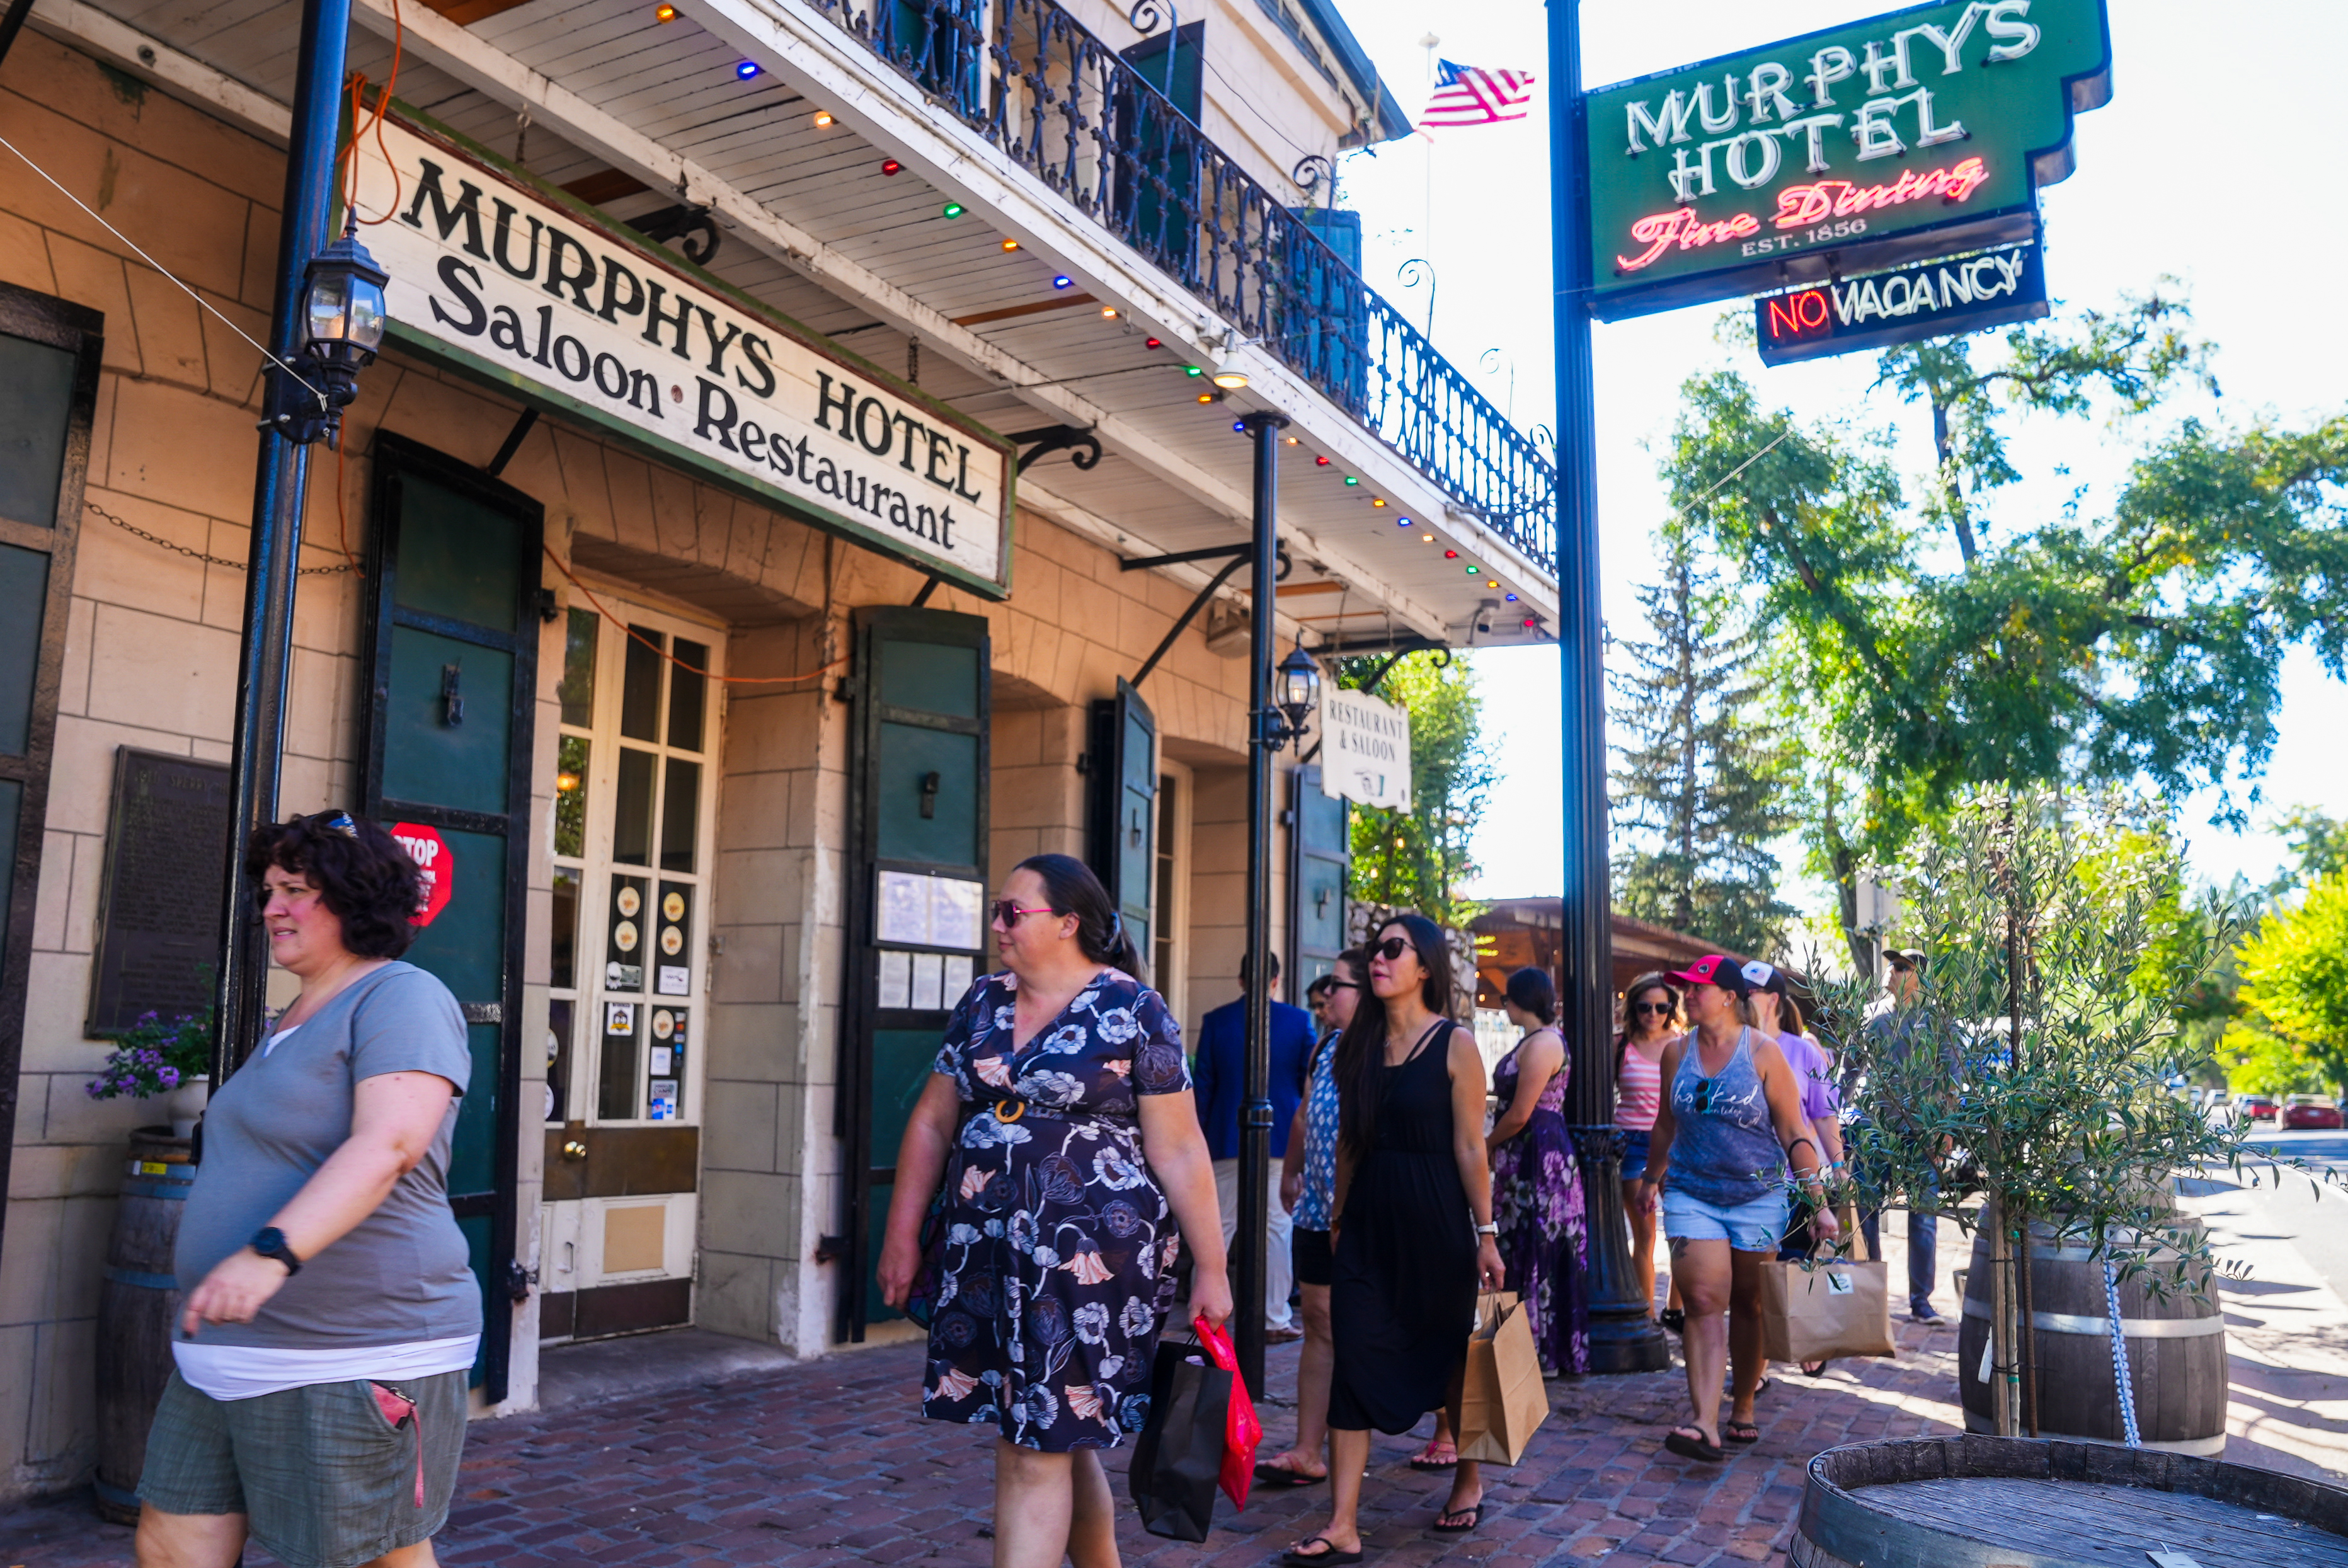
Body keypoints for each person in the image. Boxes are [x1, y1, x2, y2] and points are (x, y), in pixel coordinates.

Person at [136, 811, 477, 1568]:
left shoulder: (401, 996)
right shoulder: (291, 1018)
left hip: (349, 1350)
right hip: (226, 1355)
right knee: (169, 1540)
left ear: (356, 897)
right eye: (267, 890)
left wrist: (269, 1253)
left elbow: (389, 1142)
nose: (271, 908)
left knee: (358, 1558)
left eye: (296, 889)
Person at [878, 854, 1230, 1568]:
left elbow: (1183, 1150)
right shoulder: (982, 1001)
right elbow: (930, 1123)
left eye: (1014, 910)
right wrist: (901, 1233)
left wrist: (1213, 1268)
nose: (998, 923)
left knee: (1032, 1446)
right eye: (997, 910)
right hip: (986, 1249)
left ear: (1068, 922)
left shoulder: (1133, 1009)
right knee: (1051, 1430)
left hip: (1089, 1258)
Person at [1288, 915, 1505, 1563]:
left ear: (1424, 967)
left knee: (1450, 1357)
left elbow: (1470, 1145)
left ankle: (1469, 1474)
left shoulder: (1455, 1042)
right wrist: (1337, 1212)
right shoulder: (1357, 1043)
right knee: (1352, 1354)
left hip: (1434, 1220)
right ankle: (1344, 1521)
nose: (1376, 959)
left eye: (1391, 948)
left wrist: (1486, 1233)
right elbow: (1353, 1136)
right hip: (1365, 1223)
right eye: (1372, 949)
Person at [1633, 955, 1838, 1463]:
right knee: (1702, 1298)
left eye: (1698, 987)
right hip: (1689, 1191)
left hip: (1758, 1194)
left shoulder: (1764, 1053)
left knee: (1748, 1301)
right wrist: (1651, 1177)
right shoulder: (1674, 1052)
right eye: (1685, 989)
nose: (1688, 996)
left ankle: (1742, 1404)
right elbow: (1663, 1123)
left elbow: (1794, 1131)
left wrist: (1819, 1203)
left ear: (1728, 996)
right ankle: (1703, 1421)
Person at [1257, 946, 1370, 1488]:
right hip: (1316, 1207)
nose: (1326, 993)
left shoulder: (1386, 1047)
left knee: (1394, 1321)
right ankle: (1308, 1450)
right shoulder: (1325, 1046)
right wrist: (1289, 1171)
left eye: (1338, 984)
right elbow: (1305, 1110)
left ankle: (1447, 1431)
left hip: (1368, 1213)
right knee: (1320, 1323)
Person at [1191, 951, 1319, 1341]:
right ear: (1276, 981)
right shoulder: (1299, 1022)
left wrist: (1200, 1138)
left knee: (1217, 1226)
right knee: (1277, 1228)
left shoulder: (1216, 1022)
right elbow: (1307, 1081)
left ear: (1242, 980)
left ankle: (1203, 1315)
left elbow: (1204, 1087)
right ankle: (1274, 1317)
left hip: (1225, 1136)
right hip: (1281, 1134)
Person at [1487, 966, 1589, 1378]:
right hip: (1526, 1156)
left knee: (1537, 1244)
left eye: (1505, 999)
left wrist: (1487, 1143)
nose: (1503, 1006)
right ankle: (1526, 1345)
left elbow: (1520, 1112)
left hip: (1538, 1155)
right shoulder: (1535, 1040)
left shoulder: (1544, 1042)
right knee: (1520, 1243)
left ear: (1517, 1000)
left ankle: (1542, 1350)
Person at [1856, 948, 1950, 1324]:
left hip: (1922, 1135)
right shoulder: (1873, 1019)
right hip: (1876, 1131)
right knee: (1864, 1211)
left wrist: (1945, 1132)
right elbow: (1852, 1072)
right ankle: (1870, 1296)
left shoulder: (1938, 1022)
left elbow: (1950, 1079)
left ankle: (1921, 1302)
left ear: (1920, 979)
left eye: (1901, 967)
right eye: (1891, 966)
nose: (1891, 972)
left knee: (1923, 1218)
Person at [1615, 972, 1679, 1326]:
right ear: (1634, 1008)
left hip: (1678, 1144)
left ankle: (1676, 1310)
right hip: (1633, 1142)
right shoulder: (1620, 1045)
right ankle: (1646, 1315)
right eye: (1644, 1007)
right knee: (1645, 1234)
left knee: (1684, 1231)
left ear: (1670, 1008)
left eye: (1660, 1006)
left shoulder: (1684, 1044)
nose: (1652, 1014)